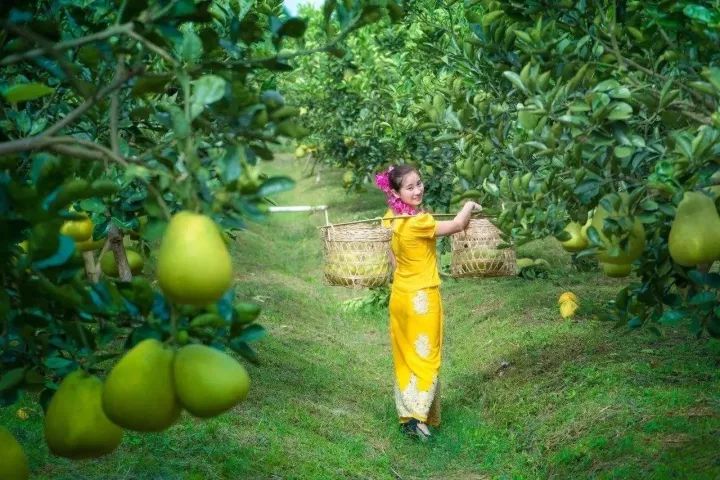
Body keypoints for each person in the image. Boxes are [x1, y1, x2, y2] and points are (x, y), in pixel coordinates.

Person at [376, 164, 481, 440]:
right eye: (409, 187)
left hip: (400, 295)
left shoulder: (390, 219)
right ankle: (418, 418)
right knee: (426, 356)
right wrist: (469, 205)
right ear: (397, 192)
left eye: (419, 184)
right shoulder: (418, 223)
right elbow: (458, 225)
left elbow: (393, 260)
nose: (418, 190)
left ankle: (408, 415)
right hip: (422, 297)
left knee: (405, 357)